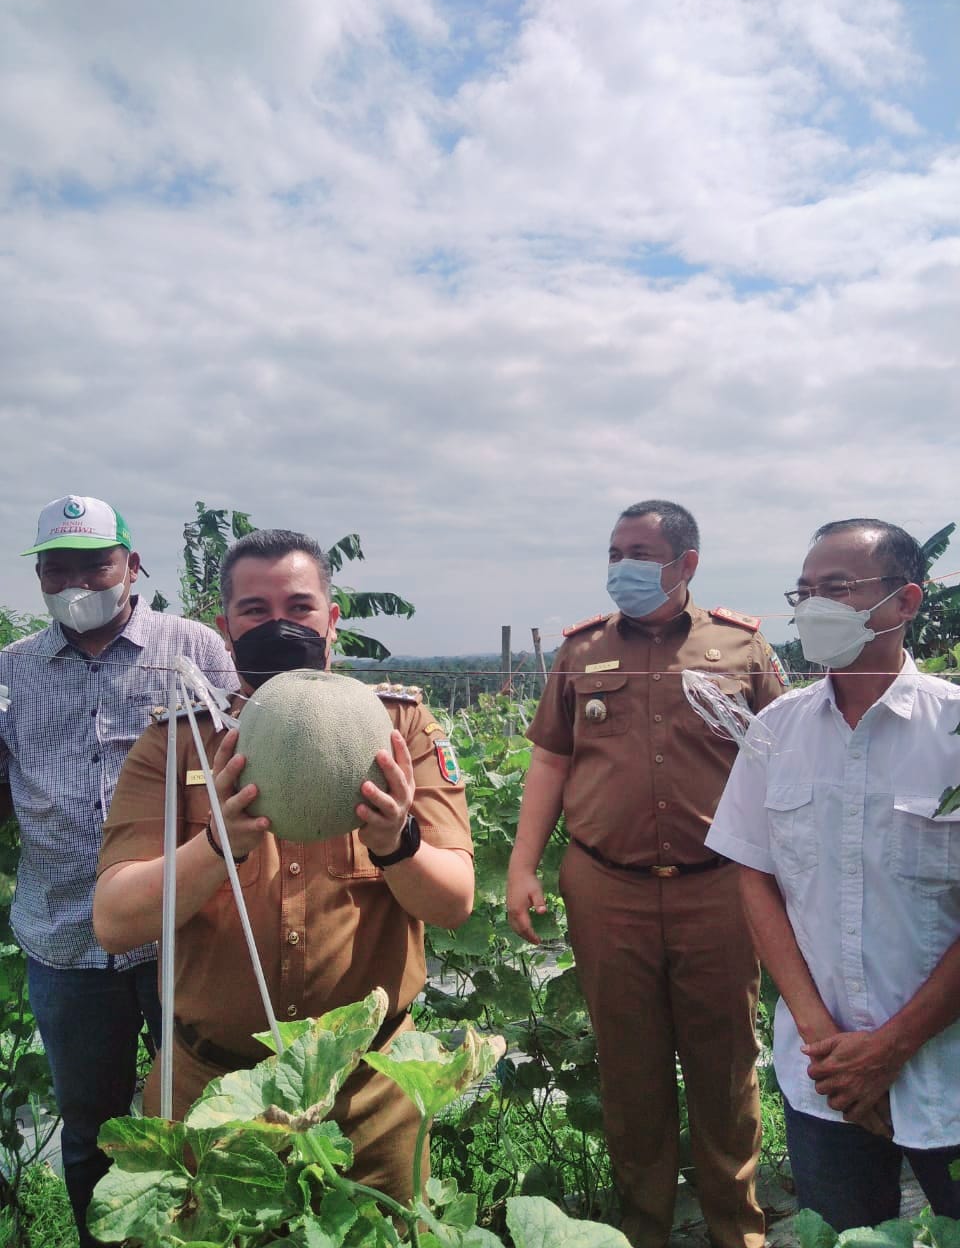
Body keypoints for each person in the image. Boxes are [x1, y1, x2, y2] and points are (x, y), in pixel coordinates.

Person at [93, 528, 473, 1202]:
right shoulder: (176, 742)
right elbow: (115, 922)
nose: (279, 625)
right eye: (255, 611)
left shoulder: (399, 729)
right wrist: (214, 850)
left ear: (331, 620)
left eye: (299, 608)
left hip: (371, 1099)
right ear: (225, 627)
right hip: (211, 1094)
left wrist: (398, 845)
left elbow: (453, 903)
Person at [506, 500, 786, 1248]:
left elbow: (785, 765)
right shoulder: (582, 650)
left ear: (685, 563)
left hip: (719, 886)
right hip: (609, 887)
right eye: (613, 551)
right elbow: (551, 760)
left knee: (725, 1065)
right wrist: (523, 865)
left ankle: (737, 1230)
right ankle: (643, 1230)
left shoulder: (744, 648)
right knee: (630, 1070)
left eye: (637, 551)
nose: (619, 566)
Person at [707, 518, 960, 1230]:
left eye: (838, 589)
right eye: (805, 591)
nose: (813, 607)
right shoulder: (776, 731)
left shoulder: (954, 731)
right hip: (822, 1077)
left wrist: (892, 1047)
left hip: (946, 1071)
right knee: (844, 1237)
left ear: (905, 603)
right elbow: (753, 877)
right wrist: (827, 1043)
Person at [0, 494, 236, 1247]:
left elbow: (248, 751)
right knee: (91, 1127)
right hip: (65, 938)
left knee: (208, 1113)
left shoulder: (193, 647)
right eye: (55, 567)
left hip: (184, 930)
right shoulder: (12, 675)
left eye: (94, 562)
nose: (75, 580)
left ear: (132, 565)